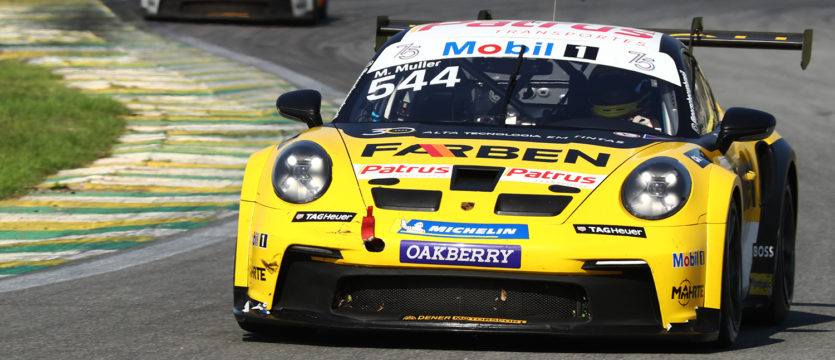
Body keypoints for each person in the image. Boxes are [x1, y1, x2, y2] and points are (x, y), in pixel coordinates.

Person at [587, 67, 660, 130]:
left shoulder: (654, 125)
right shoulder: (582, 122)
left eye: (621, 89)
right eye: (607, 89)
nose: (614, 94)